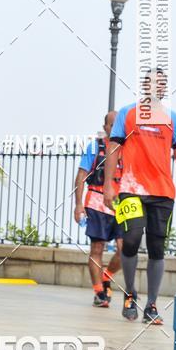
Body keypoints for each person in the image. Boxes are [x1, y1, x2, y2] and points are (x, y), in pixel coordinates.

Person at [103, 68, 176, 325]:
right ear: (144, 85)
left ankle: (151, 305)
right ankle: (130, 294)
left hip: (163, 192)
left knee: (156, 248)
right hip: (130, 189)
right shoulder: (127, 114)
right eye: (152, 82)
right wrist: (109, 184)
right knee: (129, 240)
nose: (157, 87)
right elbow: (114, 148)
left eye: (162, 83)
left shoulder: (173, 118)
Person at [74, 111, 123, 307]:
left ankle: (106, 276)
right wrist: (78, 205)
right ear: (105, 128)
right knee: (97, 248)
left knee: (125, 249)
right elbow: (81, 176)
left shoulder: (128, 149)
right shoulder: (94, 147)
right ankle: (98, 292)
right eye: (112, 125)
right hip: (96, 202)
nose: (115, 128)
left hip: (120, 205)